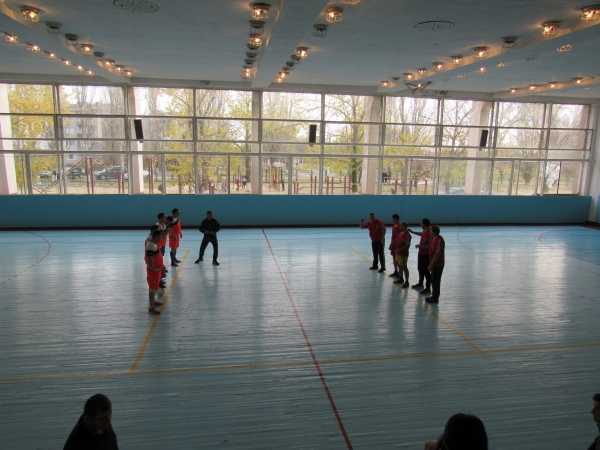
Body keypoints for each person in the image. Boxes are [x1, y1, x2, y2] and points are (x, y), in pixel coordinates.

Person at [409, 218, 432, 294]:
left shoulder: (429, 232)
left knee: (426, 271)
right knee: (420, 269)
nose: (420, 224)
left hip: (425, 255)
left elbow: (429, 246)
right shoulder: (425, 231)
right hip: (421, 253)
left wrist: (420, 246)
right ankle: (420, 283)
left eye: (421, 223)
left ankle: (428, 288)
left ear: (424, 224)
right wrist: (413, 232)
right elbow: (421, 234)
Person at [145, 229, 164, 314]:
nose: (161, 238)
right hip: (153, 272)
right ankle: (151, 307)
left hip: (156, 271)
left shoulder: (154, 244)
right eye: (160, 237)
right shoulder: (151, 246)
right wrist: (154, 269)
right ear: (156, 236)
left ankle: (153, 302)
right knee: (152, 289)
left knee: (154, 288)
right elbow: (150, 260)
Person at [426, 225, 445, 304]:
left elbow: (437, 253)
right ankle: (434, 296)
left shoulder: (439, 240)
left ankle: (435, 298)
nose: (429, 232)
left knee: (436, 281)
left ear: (434, 231)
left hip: (438, 264)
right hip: (434, 264)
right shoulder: (434, 238)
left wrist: (431, 264)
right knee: (433, 280)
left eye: (430, 230)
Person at [393, 222, 411, 288]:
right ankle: (401, 278)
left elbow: (407, 245)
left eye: (401, 226)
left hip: (404, 253)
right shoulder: (401, 233)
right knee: (400, 266)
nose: (400, 227)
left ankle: (407, 281)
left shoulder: (407, 235)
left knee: (404, 267)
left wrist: (399, 250)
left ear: (404, 227)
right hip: (398, 253)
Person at [389, 214, 401, 279]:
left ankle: (400, 272)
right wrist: (391, 243)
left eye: (394, 219)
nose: (393, 220)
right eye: (393, 219)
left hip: (398, 245)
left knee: (398, 259)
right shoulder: (394, 226)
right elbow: (393, 235)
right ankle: (396, 271)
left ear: (397, 219)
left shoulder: (400, 226)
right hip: (394, 244)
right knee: (394, 258)